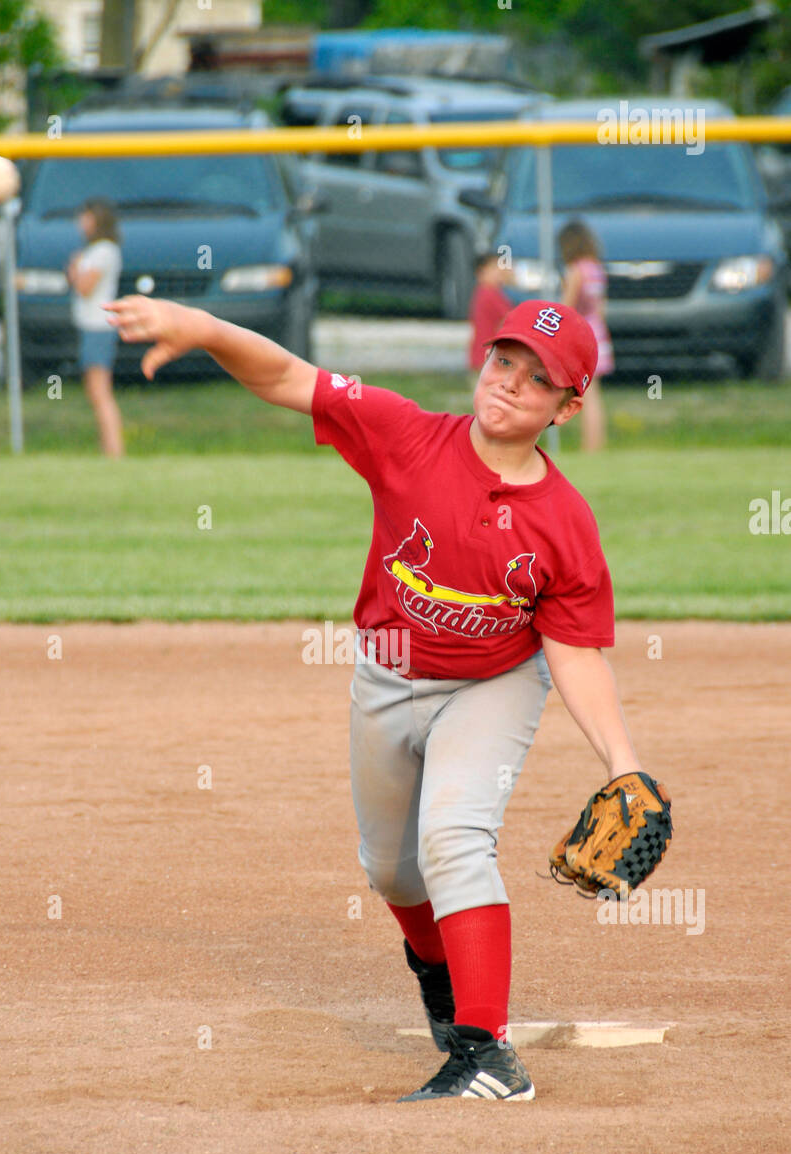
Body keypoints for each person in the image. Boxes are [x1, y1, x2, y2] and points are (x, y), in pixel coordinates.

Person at [103, 292, 646, 1104]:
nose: (509, 383)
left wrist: (624, 763)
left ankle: (485, 1051)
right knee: (393, 872)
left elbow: (573, 650)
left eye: (538, 380)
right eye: (504, 361)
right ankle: (438, 976)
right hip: (387, 675)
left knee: (455, 838)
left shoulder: (564, 523)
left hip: (491, 685)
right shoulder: (404, 435)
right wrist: (205, 329)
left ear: (568, 407)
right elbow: (290, 377)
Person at [66, 199, 124, 458]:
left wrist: (75, 267)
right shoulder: (94, 250)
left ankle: (114, 451)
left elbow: (84, 287)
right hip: (91, 327)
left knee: (100, 392)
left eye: (86, 218)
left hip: (98, 328)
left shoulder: (104, 250)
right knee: (96, 392)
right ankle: (108, 449)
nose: (81, 223)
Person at [558, 221, 614, 452]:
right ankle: (597, 443)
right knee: (594, 395)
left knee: (586, 397)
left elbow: (566, 308)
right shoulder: (596, 270)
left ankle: (590, 446)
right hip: (598, 334)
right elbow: (600, 308)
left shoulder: (576, 272)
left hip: (581, 337)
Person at [468, 250, 513, 382]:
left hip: (481, 356)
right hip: (487, 357)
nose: (500, 271)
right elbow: (511, 318)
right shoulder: (490, 294)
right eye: (494, 268)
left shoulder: (483, 292)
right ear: (481, 273)